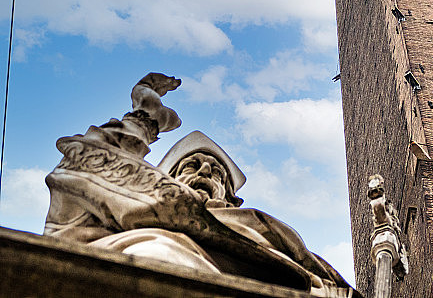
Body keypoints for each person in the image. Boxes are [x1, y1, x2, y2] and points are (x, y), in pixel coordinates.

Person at [44, 73, 356, 297]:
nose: (205, 171)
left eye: (217, 172)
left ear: (232, 199)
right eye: (192, 165)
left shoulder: (270, 236)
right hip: (154, 266)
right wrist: (144, 119)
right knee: (161, 253)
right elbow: (86, 164)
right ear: (169, 179)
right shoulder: (131, 209)